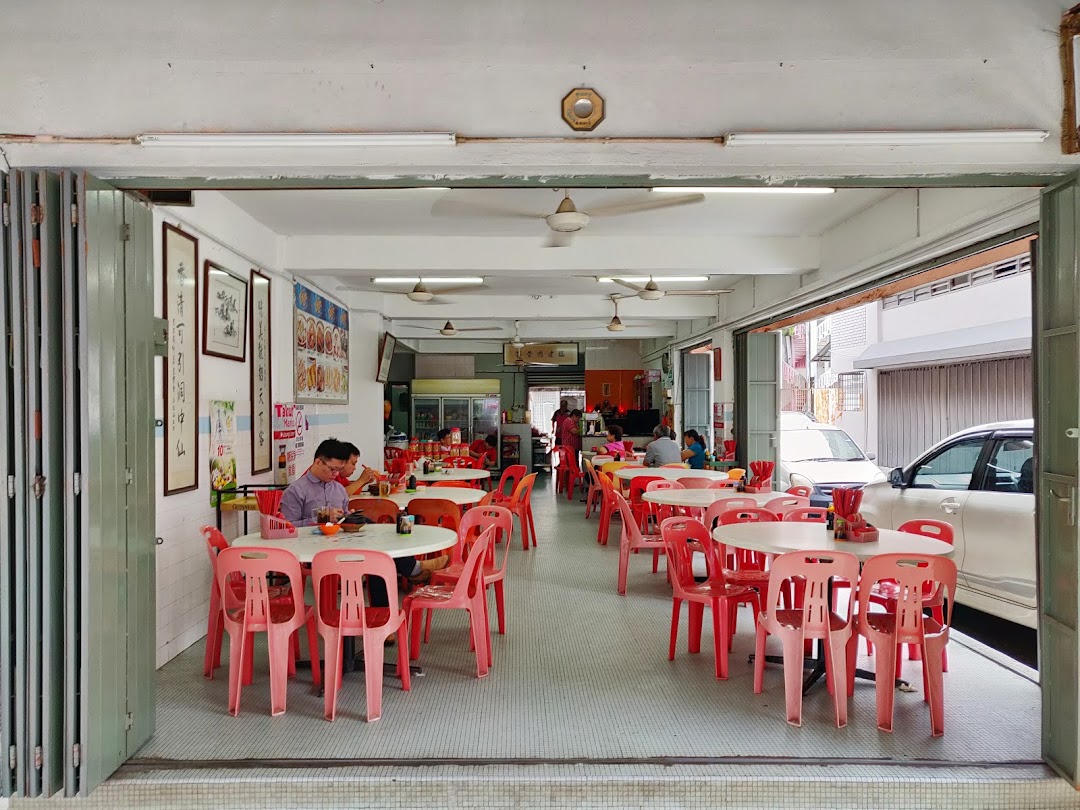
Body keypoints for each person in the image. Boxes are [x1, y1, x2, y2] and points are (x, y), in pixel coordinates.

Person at [280, 438, 352, 527]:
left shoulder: (339, 489)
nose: (336, 474)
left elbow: (343, 519)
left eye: (340, 470)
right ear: (318, 462)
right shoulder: (296, 490)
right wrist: (322, 518)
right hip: (306, 540)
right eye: (332, 469)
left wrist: (349, 517)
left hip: (338, 539)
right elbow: (287, 526)